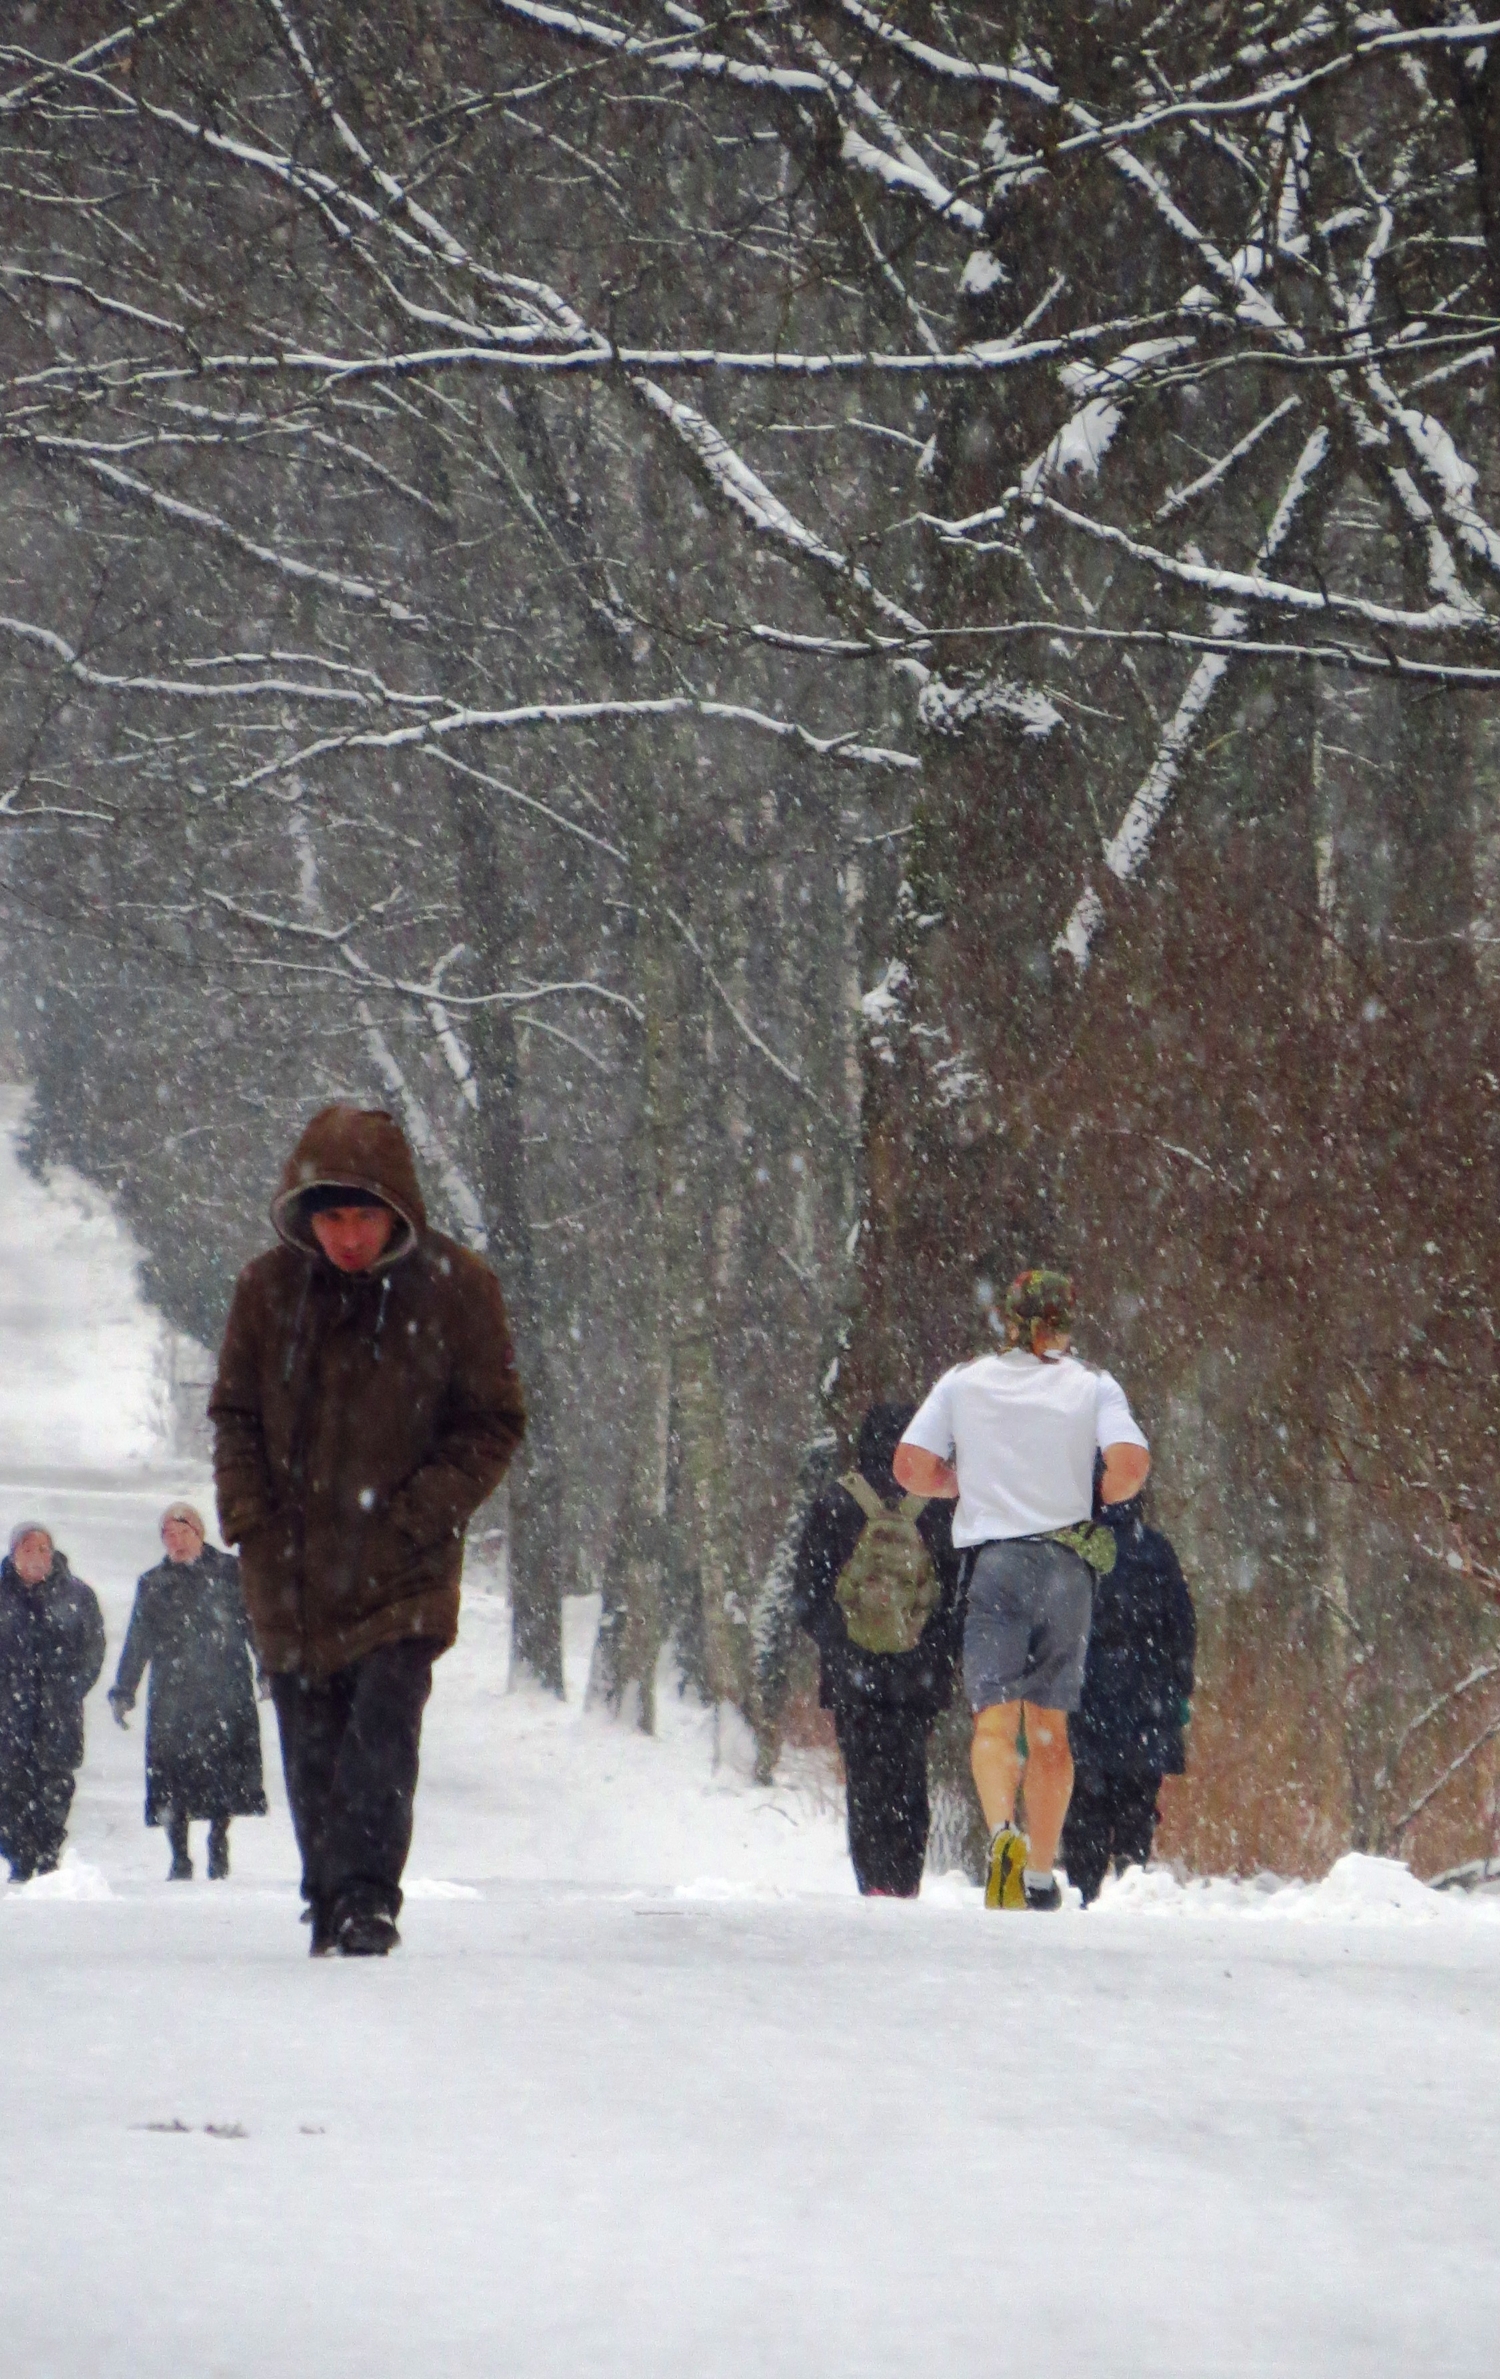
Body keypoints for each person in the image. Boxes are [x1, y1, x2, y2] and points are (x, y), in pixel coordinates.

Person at [210, 1104, 525, 1957]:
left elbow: (492, 1422)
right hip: (293, 1566)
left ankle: (366, 1899)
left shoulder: (459, 1289)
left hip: (404, 1567)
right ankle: (330, 1895)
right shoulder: (266, 1289)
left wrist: (421, 1514)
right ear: (305, 1213)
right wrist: (250, 1521)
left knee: (382, 1733)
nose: (347, 1235)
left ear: (397, 1210)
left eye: (363, 1215)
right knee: (312, 1743)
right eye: (331, 1215)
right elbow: (235, 1415)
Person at [894, 1269, 1150, 1912]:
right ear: (1064, 1321)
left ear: (1007, 1319)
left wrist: (964, 1483)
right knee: (1050, 1733)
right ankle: (1039, 1872)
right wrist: (1097, 1493)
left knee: (993, 1723)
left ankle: (1001, 1834)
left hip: (996, 1565)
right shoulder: (1093, 1385)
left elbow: (910, 1467)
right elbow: (1131, 1466)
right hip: (1066, 1569)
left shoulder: (963, 1380)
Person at [793, 1403, 963, 1898]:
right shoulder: (940, 1510)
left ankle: (874, 1886)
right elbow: (957, 1598)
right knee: (909, 1777)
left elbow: (807, 1594)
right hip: (918, 1679)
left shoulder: (836, 1502)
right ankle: (905, 1881)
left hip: (853, 1678)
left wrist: (841, 1641)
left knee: (865, 1781)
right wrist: (935, 1652)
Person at [108, 1502, 267, 1881]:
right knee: (171, 1773)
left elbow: (254, 1624)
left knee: (223, 1771)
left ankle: (218, 1838)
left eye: (183, 1533)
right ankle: (179, 1854)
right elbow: (138, 1639)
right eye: (168, 1536)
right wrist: (124, 1689)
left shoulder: (231, 1572)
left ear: (199, 1533)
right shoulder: (153, 1583)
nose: (176, 1542)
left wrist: (268, 1668)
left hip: (224, 1686)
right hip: (173, 1693)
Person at [1061, 1485, 1195, 1905]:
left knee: (1085, 1800)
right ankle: (1131, 1881)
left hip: (1084, 1698)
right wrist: (1176, 1690)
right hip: (1145, 1703)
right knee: (1136, 1800)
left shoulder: (1074, 1548)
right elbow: (1183, 1628)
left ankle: (1083, 1887)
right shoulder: (1156, 1551)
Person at [0, 1522, 105, 1882]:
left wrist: (70, 1688)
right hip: (7, 1716)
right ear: (14, 1555)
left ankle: (47, 1856)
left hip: (58, 1714)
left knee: (55, 1786)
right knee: (8, 1787)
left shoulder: (76, 1596)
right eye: (28, 1549)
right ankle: (18, 1855)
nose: (37, 1557)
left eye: (43, 1549)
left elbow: (93, 1649)